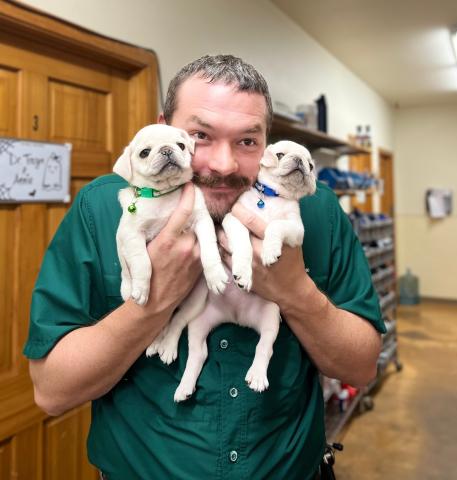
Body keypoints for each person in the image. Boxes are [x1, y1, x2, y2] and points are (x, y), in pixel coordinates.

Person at [24, 54, 386, 480]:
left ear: (268, 144)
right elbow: (52, 391)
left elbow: (361, 367)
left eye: (248, 142)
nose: (223, 164)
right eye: (200, 135)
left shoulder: (317, 213)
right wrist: (153, 302)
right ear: (164, 127)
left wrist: (295, 292)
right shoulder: (103, 209)